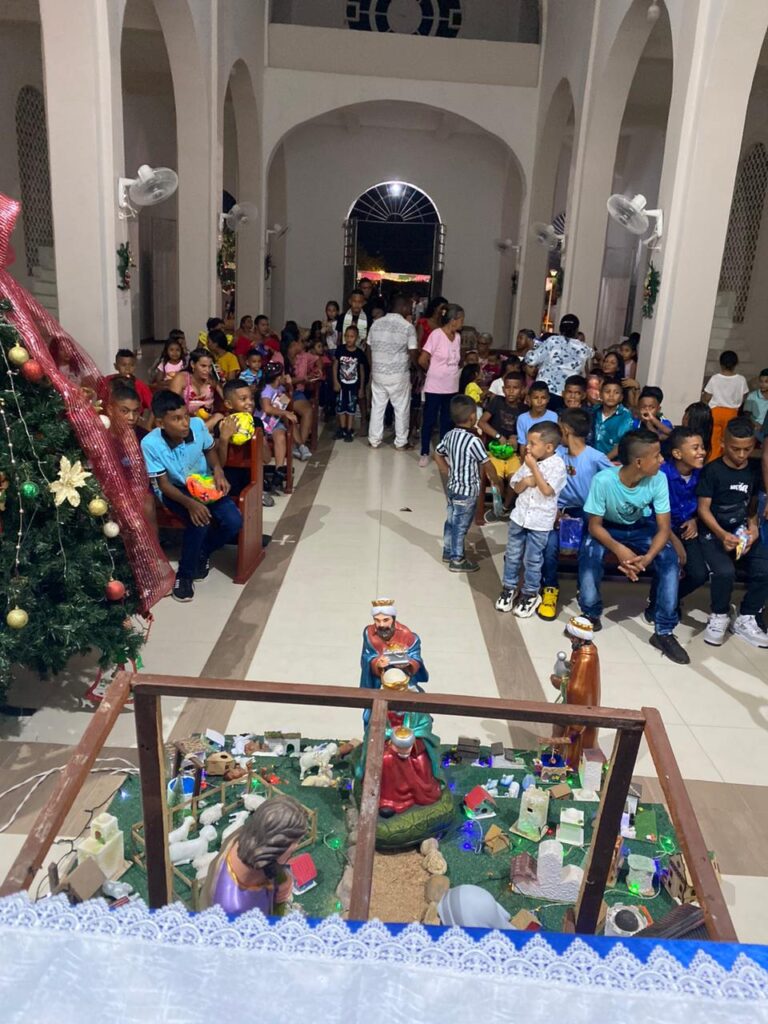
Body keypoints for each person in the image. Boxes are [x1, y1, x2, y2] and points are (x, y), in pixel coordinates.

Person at [578, 429, 689, 664]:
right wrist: (620, 550)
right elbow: (594, 526)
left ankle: (664, 631)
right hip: (607, 527)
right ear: (639, 462)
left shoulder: (658, 479)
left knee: (668, 559)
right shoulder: (604, 480)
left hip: (641, 527)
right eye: (657, 455)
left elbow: (663, 528)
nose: (662, 460)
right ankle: (590, 613)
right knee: (589, 553)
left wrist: (647, 558)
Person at [141, 390, 242, 602]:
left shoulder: (197, 426)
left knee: (234, 521)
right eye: (176, 419)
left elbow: (210, 452)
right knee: (200, 522)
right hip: (175, 489)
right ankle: (184, 575)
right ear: (160, 423)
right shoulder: (151, 444)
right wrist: (191, 504)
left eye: (185, 415)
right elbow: (164, 485)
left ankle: (203, 551)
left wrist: (218, 471)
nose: (185, 423)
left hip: (203, 482)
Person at [696, 417, 768, 648]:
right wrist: (721, 534)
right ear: (723, 443)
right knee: (725, 572)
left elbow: (751, 505)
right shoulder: (712, 470)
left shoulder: (753, 472)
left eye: (747, 449)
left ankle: (747, 616)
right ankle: (719, 615)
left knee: (764, 566)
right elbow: (703, 509)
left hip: (741, 531)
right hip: (713, 532)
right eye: (736, 449)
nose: (741, 454)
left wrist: (754, 527)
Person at [539, 408, 613, 622]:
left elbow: (615, 480)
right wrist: (554, 512)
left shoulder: (595, 457)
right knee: (549, 546)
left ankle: (587, 595)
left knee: (589, 550)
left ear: (566, 429)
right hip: (557, 511)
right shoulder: (556, 455)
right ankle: (550, 589)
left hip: (587, 512)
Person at [495, 421, 566, 618]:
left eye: (533, 443)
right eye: (528, 442)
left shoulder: (557, 465)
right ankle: (509, 588)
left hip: (540, 522)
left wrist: (534, 468)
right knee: (513, 554)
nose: (528, 447)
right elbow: (516, 487)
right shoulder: (528, 460)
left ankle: (530, 593)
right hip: (519, 518)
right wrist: (526, 480)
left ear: (549, 447)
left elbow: (546, 490)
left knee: (533, 559)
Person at [202, 796, 308, 917]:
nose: (296, 846)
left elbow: (270, 866)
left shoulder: (248, 838)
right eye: (294, 842)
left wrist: (282, 882)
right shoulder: (233, 905)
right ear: (277, 842)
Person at [646, 426, 708, 621]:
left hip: (686, 527)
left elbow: (705, 504)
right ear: (677, 453)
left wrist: (695, 520)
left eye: (702, 447)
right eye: (695, 448)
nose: (702, 452)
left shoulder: (703, 474)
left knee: (699, 574)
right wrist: (673, 540)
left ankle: (671, 598)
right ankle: (656, 604)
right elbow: (653, 513)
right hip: (659, 527)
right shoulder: (660, 474)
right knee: (669, 562)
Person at [434, 395, 501, 573]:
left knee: (451, 520)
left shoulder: (449, 435)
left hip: (452, 488)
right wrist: (496, 482)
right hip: (467, 492)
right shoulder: (474, 441)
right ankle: (457, 559)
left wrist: (447, 471)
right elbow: (487, 464)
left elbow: (437, 453)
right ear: (472, 417)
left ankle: (448, 551)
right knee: (461, 525)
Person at [367, 293, 418, 451]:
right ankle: (401, 442)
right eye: (409, 306)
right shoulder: (407, 327)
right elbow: (413, 352)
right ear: (402, 307)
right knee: (401, 408)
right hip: (398, 375)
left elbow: (368, 348)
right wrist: (417, 369)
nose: (410, 309)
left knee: (377, 407)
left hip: (378, 374)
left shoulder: (376, 324)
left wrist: (373, 366)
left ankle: (374, 440)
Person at [213, 378, 274, 508]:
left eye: (251, 399)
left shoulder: (256, 422)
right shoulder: (222, 424)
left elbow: (267, 459)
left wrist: (256, 438)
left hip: (251, 475)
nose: (249, 403)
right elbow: (220, 463)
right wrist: (224, 439)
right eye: (243, 399)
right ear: (229, 404)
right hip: (228, 477)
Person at [478, 372, 526, 515]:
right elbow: (482, 423)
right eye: (508, 388)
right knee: (496, 480)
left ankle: (505, 506)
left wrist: (516, 437)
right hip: (494, 452)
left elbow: (527, 432)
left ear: (522, 390)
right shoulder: (497, 402)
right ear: (503, 389)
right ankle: (500, 502)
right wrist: (498, 436)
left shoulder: (524, 410)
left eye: (515, 388)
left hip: (513, 455)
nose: (511, 391)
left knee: (514, 481)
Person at [360, 598, 428, 696]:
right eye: (377, 621)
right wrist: (377, 663)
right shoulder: (369, 633)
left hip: (402, 681)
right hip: (379, 681)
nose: (381, 625)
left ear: (393, 619)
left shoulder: (406, 634)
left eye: (386, 620)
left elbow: (416, 658)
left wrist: (407, 664)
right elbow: (366, 656)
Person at [524, 313, 592, 408]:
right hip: (567, 395)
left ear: (560, 328)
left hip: (545, 392)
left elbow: (531, 360)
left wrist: (531, 348)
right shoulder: (584, 348)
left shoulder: (552, 341)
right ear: (577, 330)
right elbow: (584, 372)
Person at [703, 349, 749, 460]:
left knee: (714, 442)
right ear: (736, 363)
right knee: (729, 442)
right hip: (732, 413)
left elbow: (706, 397)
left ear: (720, 363)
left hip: (715, 412)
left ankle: (712, 463)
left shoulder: (715, 378)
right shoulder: (741, 379)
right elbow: (744, 396)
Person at [260, 362, 297, 491]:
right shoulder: (267, 390)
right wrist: (286, 413)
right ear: (278, 377)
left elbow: (286, 400)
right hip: (263, 422)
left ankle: (279, 470)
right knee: (261, 440)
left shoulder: (280, 389)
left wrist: (289, 386)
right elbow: (267, 408)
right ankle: (262, 469)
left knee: (280, 436)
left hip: (275, 423)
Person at [283, 336, 318, 460]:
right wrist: (302, 379)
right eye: (299, 342)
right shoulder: (279, 357)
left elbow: (318, 359)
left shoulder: (303, 356)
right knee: (286, 411)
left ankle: (300, 446)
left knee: (308, 410)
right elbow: (282, 381)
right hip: (281, 393)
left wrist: (318, 368)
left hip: (296, 392)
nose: (301, 344)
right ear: (292, 345)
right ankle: (301, 446)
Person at [170, 348, 222, 428]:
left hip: (208, 421)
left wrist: (220, 380)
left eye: (210, 367)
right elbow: (171, 404)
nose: (207, 370)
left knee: (219, 417)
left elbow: (227, 399)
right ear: (193, 364)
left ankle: (197, 433)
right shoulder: (182, 378)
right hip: (186, 421)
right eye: (203, 366)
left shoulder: (212, 379)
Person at [334, 324, 367, 442]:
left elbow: (362, 371)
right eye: (347, 336)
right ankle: (342, 428)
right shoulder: (340, 349)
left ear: (356, 338)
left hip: (353, 385)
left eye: (352, 336)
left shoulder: (359, 353)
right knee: (341, 408)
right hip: (341, 384)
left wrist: (362, 388)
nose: (349, 339)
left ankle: (349, 429)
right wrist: (335, 381)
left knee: (351, 408)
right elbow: (335, 365)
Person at [592, 378, 633, 459]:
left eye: (616, 392)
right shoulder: (594, 411)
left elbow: (621, 444)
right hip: (591, 459)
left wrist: (603, 461)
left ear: (621, 397)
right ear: (600, 395)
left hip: (612, 463)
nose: (611, 395)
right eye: (607, 392)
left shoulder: (625, 416)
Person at [516, 381, 558, 454]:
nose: (539, 401)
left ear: (548, 399)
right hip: (531, 456)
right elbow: (522, 445)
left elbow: (556, 443)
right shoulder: (522, 419)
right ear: (529, 399)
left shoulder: (553, 416)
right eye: (535, 398)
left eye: (543, 398)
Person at [107, 349, 153, 413]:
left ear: (135, 367)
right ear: (116, 366)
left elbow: (153, 408)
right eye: (124, 365)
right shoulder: (107, 381)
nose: (127, 369)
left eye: (131, 365)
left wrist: (147, 423)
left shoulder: (141, 386)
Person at [744, 368, 768, 435]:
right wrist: (755, 423)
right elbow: (746, 414)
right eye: (761, 381)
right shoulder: (752, 396)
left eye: (766, 382)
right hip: (756, 427)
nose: (763, 384)